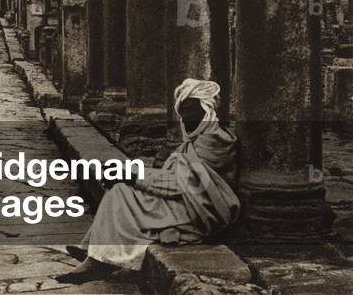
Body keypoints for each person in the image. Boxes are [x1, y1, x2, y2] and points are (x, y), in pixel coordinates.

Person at [56, 79, 241, 284]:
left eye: (190, 109)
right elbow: (176, 177)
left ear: (206, 109)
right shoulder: (199, 138)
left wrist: (133, 176)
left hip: (200, 212)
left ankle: (98, 261)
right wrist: (129, 172)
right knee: (122, 189)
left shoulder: (213, 140)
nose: (185, 116)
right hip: (187, 201)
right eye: (182, 109)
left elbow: (181, 185)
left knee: (122, 193)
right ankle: (96, 252)